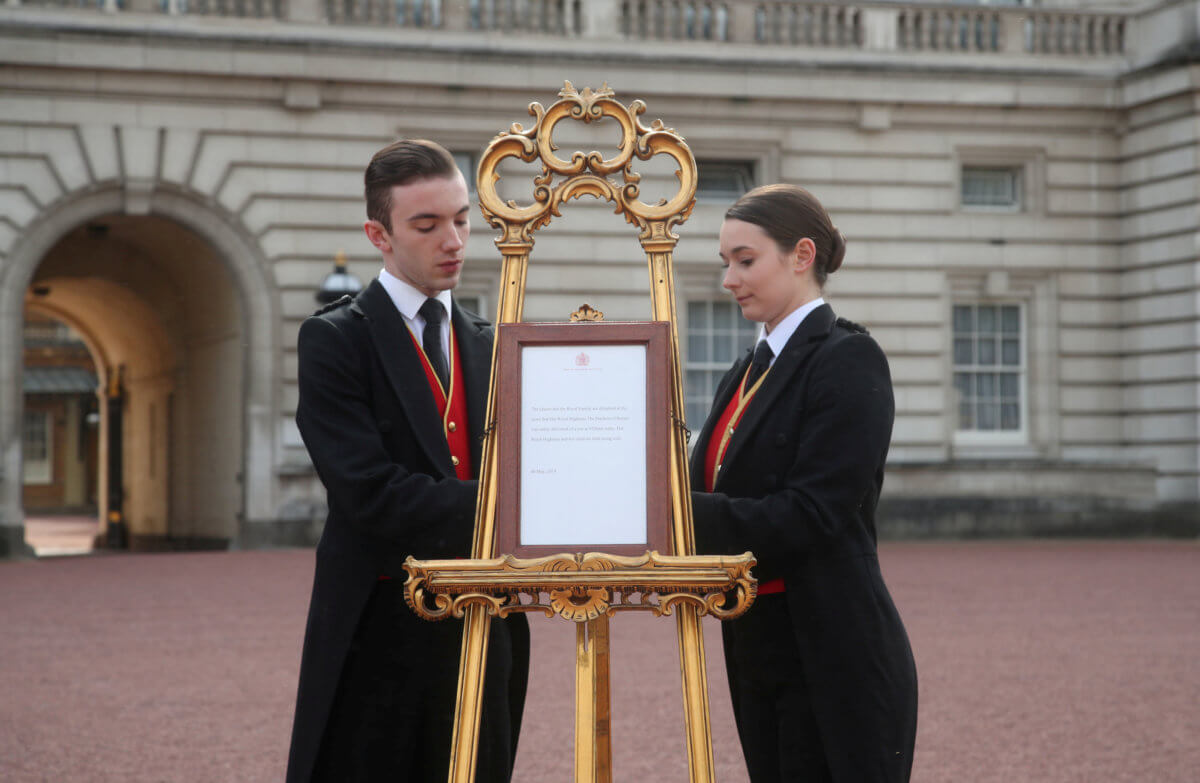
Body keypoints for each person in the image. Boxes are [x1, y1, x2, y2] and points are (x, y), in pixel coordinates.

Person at [285, 139, 529, 783]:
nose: (452, 240)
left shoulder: (495, 341)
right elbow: (369, 493)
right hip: (382, 627)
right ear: (379, 234)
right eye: (426, 225)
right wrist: (516, 502)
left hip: (487, 618)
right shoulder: (335, 339)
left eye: (460, 219)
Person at [689, 184, 918, 782]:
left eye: (746, 260)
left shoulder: (848, 358)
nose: (729, 280)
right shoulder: (744, 369)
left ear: (801, 255)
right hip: (755, 643)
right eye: (725, 264)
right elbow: (702, 484)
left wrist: (673, 516)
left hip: (833, 646)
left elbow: (813, 513)